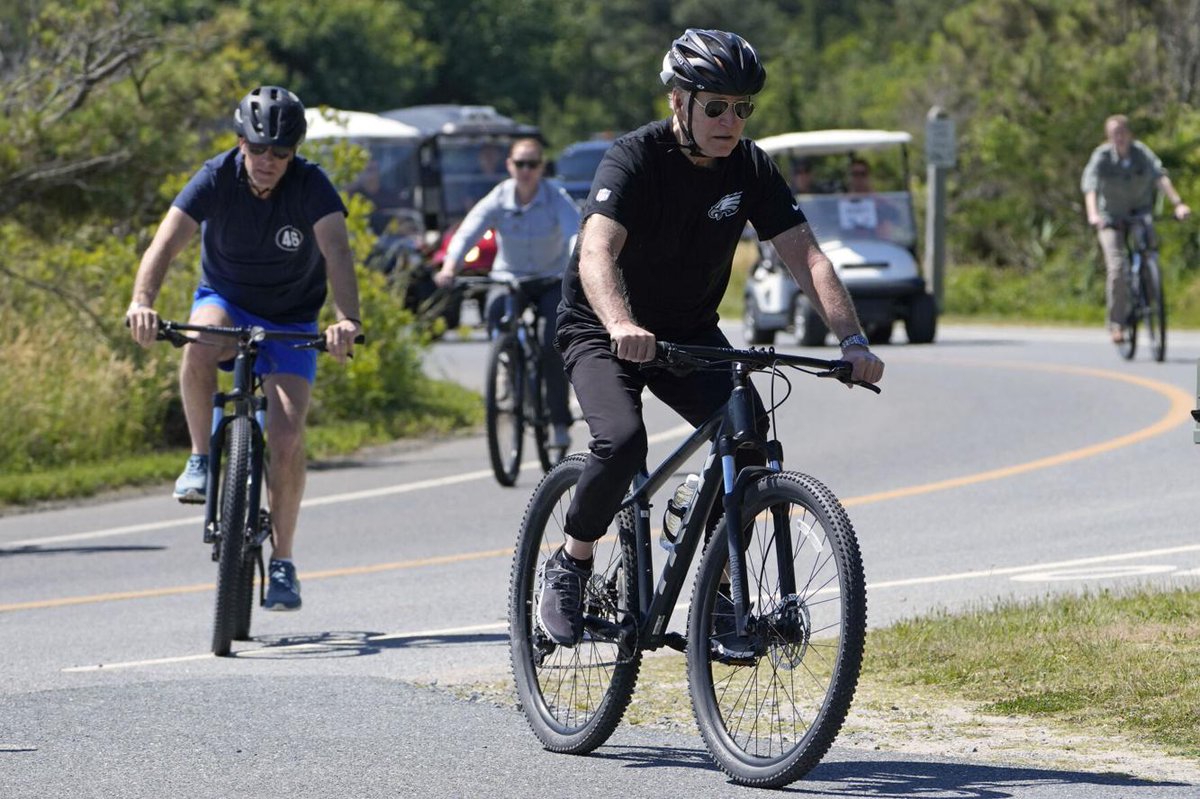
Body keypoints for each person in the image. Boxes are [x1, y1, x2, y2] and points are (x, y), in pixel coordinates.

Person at [538, 29, 884, 648]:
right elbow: (596, 251)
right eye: (717, 106)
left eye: (743, 108)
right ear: (679, 101)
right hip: (600, 325)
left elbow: (807, 258)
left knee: (747, 432)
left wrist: (853, 341)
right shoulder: (635, 158)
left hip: (689, 331)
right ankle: (573, 559)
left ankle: (722, 595)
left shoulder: (749, 166)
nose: (731, 121)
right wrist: (621, 324)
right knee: (620, 443)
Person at [125, 86, 362, 611]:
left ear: (293, 153)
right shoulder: (215, 177)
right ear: (240, 143)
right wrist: (142, 302)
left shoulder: (311, 186)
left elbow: (338, 253)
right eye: (258, 150)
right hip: (226, 300)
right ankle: (200, 459)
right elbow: (164, 244)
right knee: (198, 339)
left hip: (292, 317)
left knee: (285, 434)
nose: (268, 163)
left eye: (280, 153)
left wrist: (347, 320)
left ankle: (283, 560)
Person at [433, 138, 580, 449]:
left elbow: (573, 236)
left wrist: (578, 268)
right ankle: (509, 365)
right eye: (520, 164)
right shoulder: (498, 198)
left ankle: (558, 421)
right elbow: (467, 232)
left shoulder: (556, 198)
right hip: (508, 278)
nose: (526, 170)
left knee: (552, 342)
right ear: (510, 166)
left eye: (532, 164)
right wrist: (449, 268)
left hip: (549, 278)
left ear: (542, 167)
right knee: (497, 314)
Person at [1081, 114, 1191, 343]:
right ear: (1108, 137)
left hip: (1140, 213)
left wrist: (1178, 204)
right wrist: (1093, 215)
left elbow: (1160, 177)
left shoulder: (1141, 153)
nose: (1119, 138)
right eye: (1114, 134)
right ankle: (1117, 325)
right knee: (1117, 268)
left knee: (1151, 256)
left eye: (1122, 133)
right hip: (1110, 217)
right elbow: (1090, 186)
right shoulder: (1101, 157)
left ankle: (1149, 303)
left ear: (1129, 134)